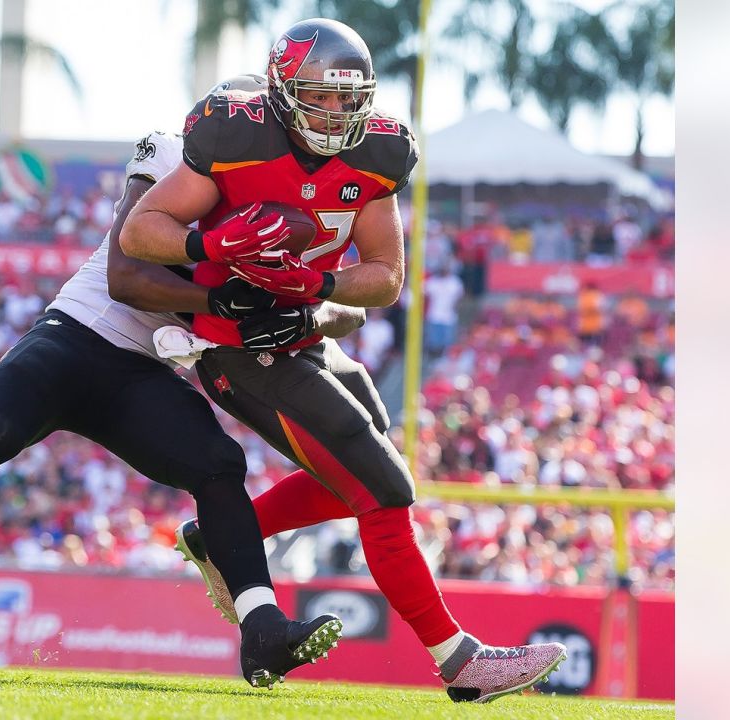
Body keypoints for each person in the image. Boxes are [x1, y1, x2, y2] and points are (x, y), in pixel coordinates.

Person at [0, 77, 353, 689]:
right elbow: (127, 277)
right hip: (79, 333)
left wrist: (307, 310)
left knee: (218, 463)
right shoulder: (175, 155)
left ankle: (262, 631)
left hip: (143, 369)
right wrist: (227, 300)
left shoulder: (283, 199)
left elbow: (342, 297)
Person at [119, 18, 565, 704]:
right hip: (238, 346)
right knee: (383, 486)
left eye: (347, 96)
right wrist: (215, 246)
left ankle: (219, 537)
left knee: (362, 470)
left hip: (304, 330)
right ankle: (460, 661)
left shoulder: (381, 150)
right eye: (317, 95)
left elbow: (385, 274)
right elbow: (143, 231)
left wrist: (319, 285)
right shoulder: (234, 135)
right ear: (280, 91)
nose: (335, 110)